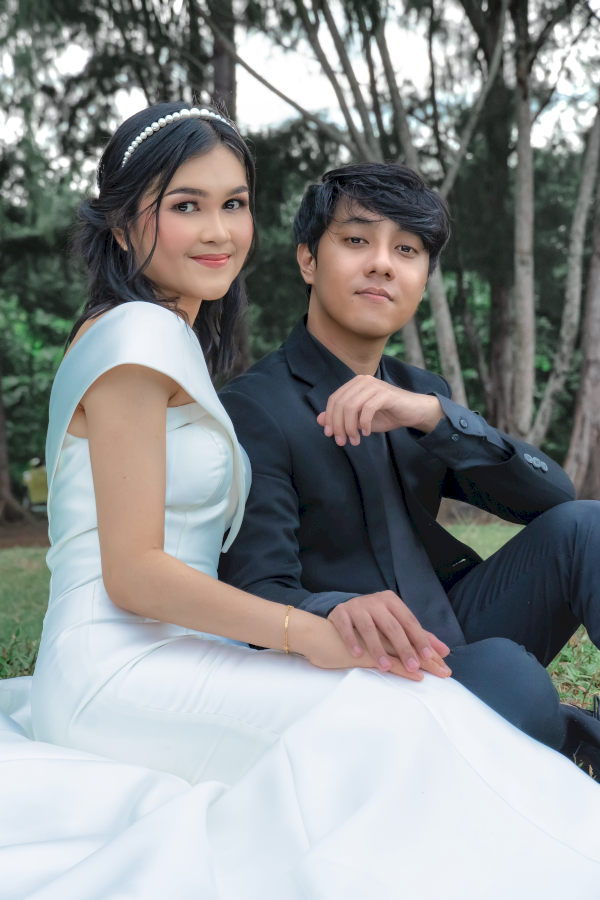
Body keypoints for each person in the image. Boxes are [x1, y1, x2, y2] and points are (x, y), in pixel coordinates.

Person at [0, 109, 598, 899]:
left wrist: (432, 416)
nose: (218, 230)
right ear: (120, 224)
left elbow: (554, 502)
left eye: (234, 203)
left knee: (577, 542)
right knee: (429, 718)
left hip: (277, 640)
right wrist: (316, 628)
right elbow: (141, 575)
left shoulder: (177, 341)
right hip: (126, 665)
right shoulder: (150, 341)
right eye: (185, 205)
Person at [218, 162, 600, 773]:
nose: (382, 264)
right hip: (359, 660)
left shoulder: (421, 394)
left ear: (423, 278)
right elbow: (256, 589)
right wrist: (336, 608)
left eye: (407, 250)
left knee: (588, 527)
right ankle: (574, 738)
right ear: (308, 260)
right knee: (509, 677)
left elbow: (553, 497)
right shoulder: (254, 408)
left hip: (453, 623)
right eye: (356, 240)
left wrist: (434, 415)